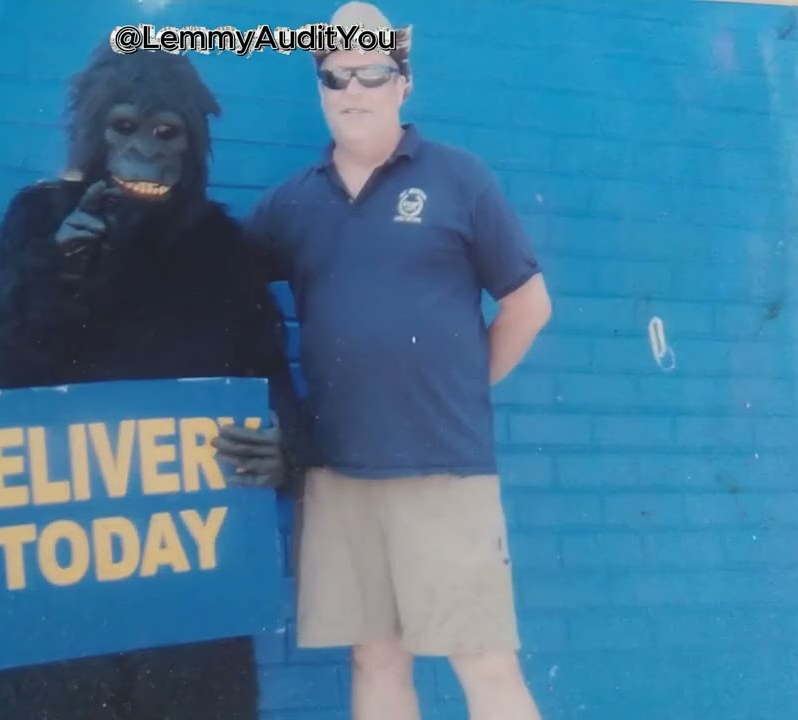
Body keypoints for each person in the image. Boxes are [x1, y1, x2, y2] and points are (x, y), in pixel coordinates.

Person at [231, 3, 553, 719]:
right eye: (335, 75)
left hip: (443, 468)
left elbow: (529, 306)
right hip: (338, 472)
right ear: (321, 88)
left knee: (485, 663)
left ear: (404, 82)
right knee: (373, 659)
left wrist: (463, 387)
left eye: (372, 72)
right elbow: (221, 284)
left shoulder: (459, 179)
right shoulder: (292, 203)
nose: (354, 89)